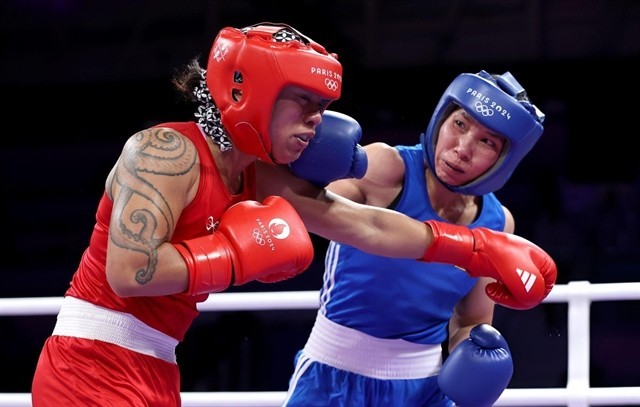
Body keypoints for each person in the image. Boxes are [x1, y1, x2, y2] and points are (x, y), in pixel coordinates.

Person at [31, 20, 555, 405]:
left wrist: (476, 246)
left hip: (158, 365)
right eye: (302, 102)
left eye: (321, 108)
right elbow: (128, 274)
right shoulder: (164, 151)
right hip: (89, 361)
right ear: (249, 94)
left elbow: (364, 225)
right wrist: (235, 253)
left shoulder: (254, 175)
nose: (316, 121)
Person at [280, 70, 550, 406]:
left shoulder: (497, 224)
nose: (462, 149)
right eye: (461, 124)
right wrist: (303, 163)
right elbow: (301, 207)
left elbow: (472, 317)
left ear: (504, 161)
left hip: (423, 387)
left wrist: (472, 354)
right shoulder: (385, 168)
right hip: (331, 372)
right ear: (441, 119)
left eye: (487, 142)